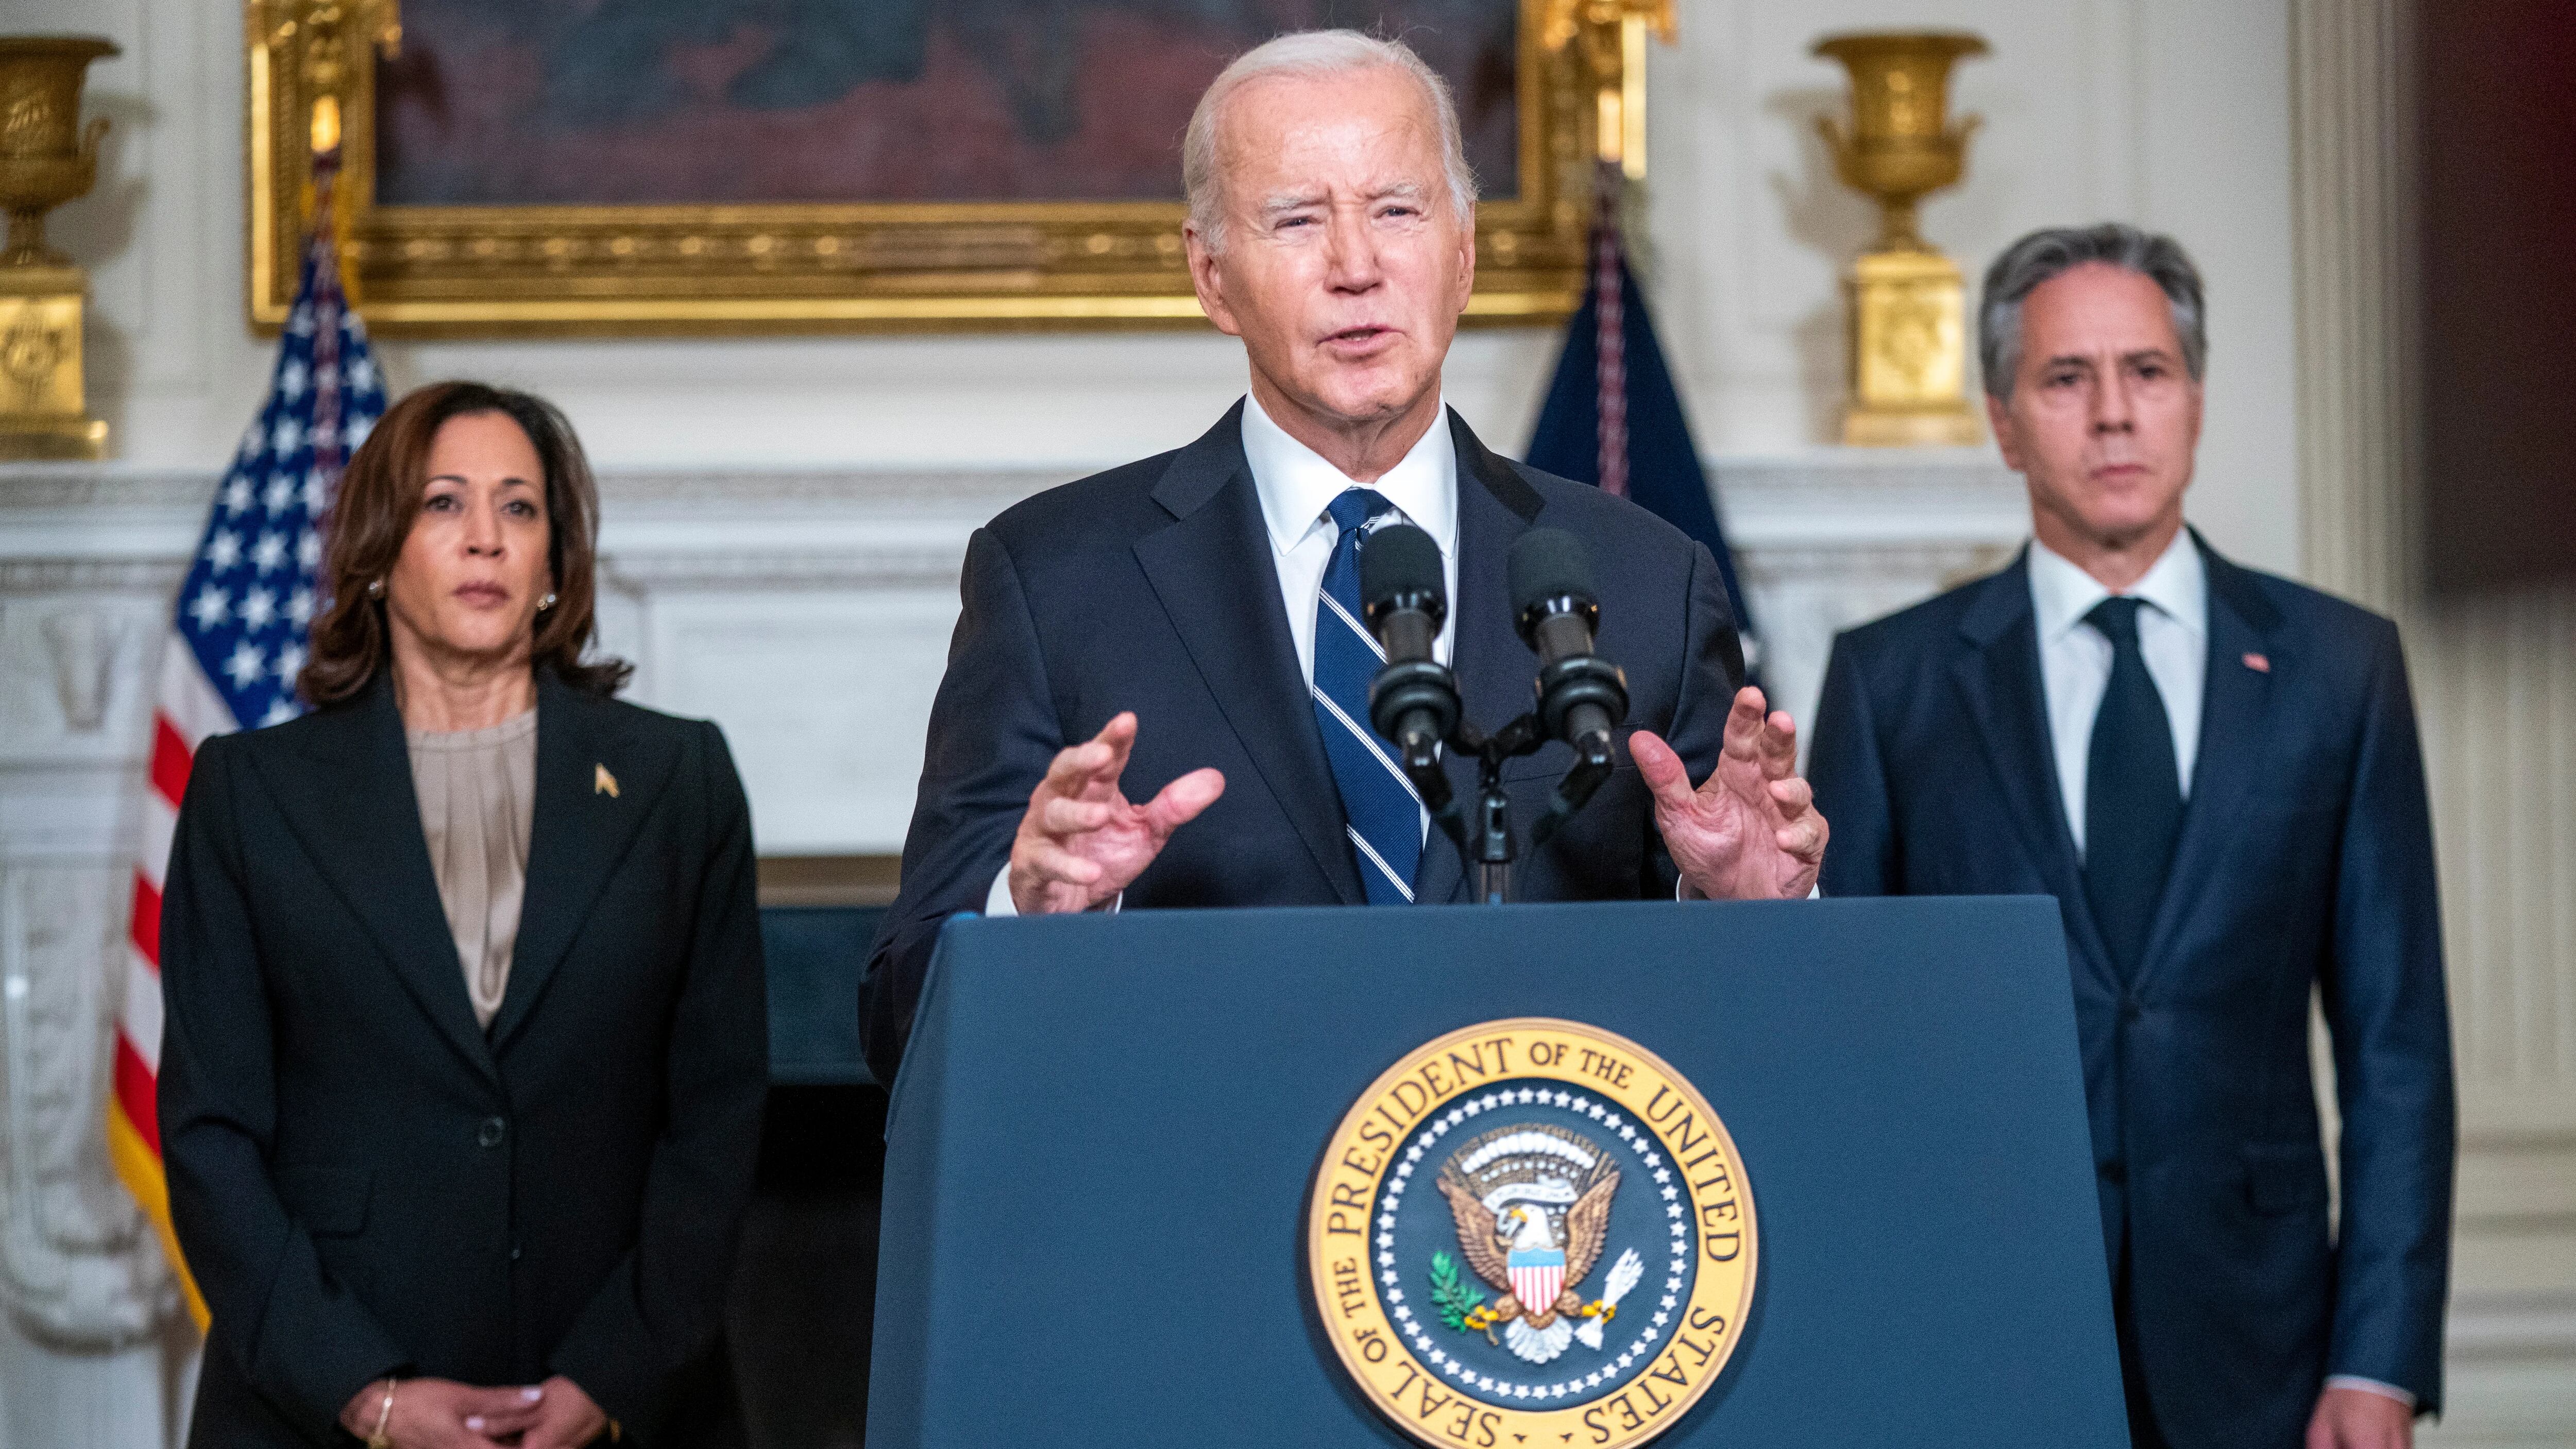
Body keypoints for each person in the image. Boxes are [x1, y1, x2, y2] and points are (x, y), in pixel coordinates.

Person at [862, 29, 1827, 1082]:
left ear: (1462, 253)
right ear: (1211, 275)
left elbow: (1762, 1034)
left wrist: (1744, 907)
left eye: (1396, 211)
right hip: (1202, 1211)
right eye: (1295, 220)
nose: (1356, 267)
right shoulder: (1054, 579)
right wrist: (1033, 919)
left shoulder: (1646, 578)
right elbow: (900, 1016)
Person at [1805, 225, 2453, 1449]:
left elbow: (2397, 1047)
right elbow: (1849, 1051)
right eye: (2065, 379)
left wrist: (2378, 1361)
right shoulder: (1891, 685)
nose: (2112, 415)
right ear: (2003, 421)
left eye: (2146, 373)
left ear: (2194, 403)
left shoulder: (2338, 669)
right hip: (1977, 1335)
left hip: (2266, 1348)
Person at [158, 382, 768, 1448]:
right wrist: (366, 1393)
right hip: (316, 1406)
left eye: (519, 508)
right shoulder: (248, 793)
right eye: (444, 504)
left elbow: (715, 1117)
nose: (485, 538)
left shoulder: (681, 779)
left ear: (554, 561)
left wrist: (612, 1377)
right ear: (379, 549)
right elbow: (210, 1138)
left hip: (617, 1400)